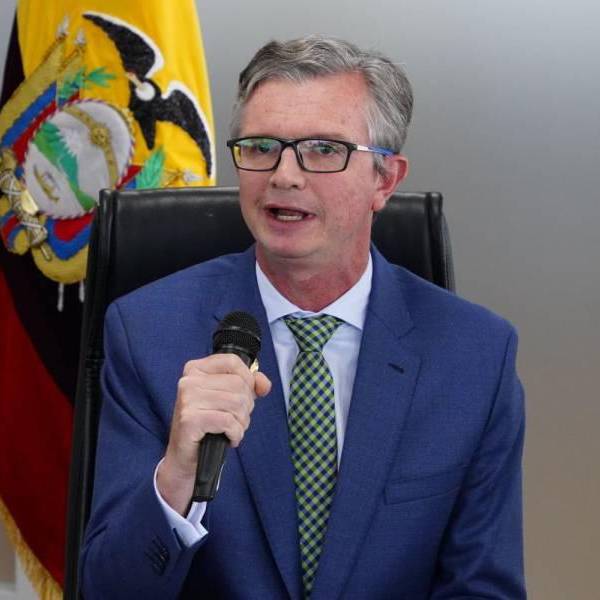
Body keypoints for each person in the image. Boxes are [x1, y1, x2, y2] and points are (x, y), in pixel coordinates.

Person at [80, 35, 526, 599]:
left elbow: (481, 588)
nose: (284, 175)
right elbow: (107, 590)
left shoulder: (475, 355)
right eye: (261, 146)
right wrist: (175, 481)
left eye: (322, 149)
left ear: (385, 179)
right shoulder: (148, 332)